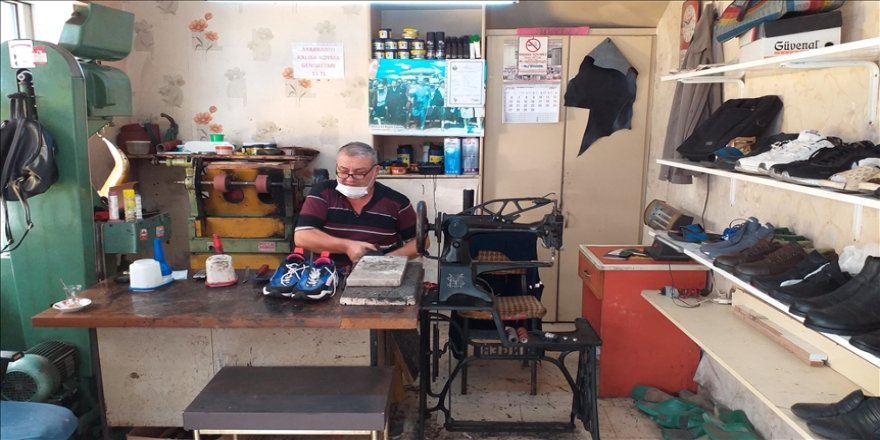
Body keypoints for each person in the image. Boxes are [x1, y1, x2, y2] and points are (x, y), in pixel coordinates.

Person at [294, 141, 421, 269]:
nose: (349, 179)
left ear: (376, 171)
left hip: (379, 273)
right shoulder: (323, 192)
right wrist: (347, 246)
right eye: (343, 171)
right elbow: (302, 236)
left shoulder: (396, 202)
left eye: (359, 173)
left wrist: (386, 261)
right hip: (325, 273)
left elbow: (421, 241)